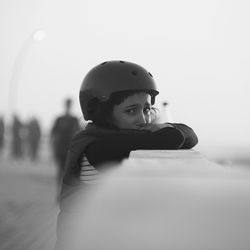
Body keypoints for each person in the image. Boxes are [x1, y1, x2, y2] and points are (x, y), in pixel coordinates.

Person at [55, 60, 198, 250]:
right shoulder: (97, 147)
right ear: (104, 114)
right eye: (131, 111)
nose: (143, 119)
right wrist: (164, 128)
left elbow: (189, 136)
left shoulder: (107, 139)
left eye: (146, 109)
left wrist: (167, 129)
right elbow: (172, 138)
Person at [51, 98, 80, 187]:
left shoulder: (74, 119)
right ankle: (61, 189)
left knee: (67, 170)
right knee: (61, 169)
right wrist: (54, 148)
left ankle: (64, 189)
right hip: (61, 148)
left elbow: (77, 134)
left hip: (70, 148)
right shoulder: (59, 119)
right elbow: (54, 134)